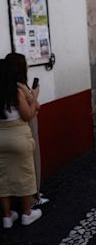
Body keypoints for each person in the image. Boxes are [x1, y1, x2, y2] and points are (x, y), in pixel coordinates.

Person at [0, 54, 43, 228]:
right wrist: (35, 97)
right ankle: (26, 213)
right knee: (25, 174)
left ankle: (7, 216)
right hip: (18, 136)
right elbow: (27, 115)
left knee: (3, 178)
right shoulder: (16, 91)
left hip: (1, 138)